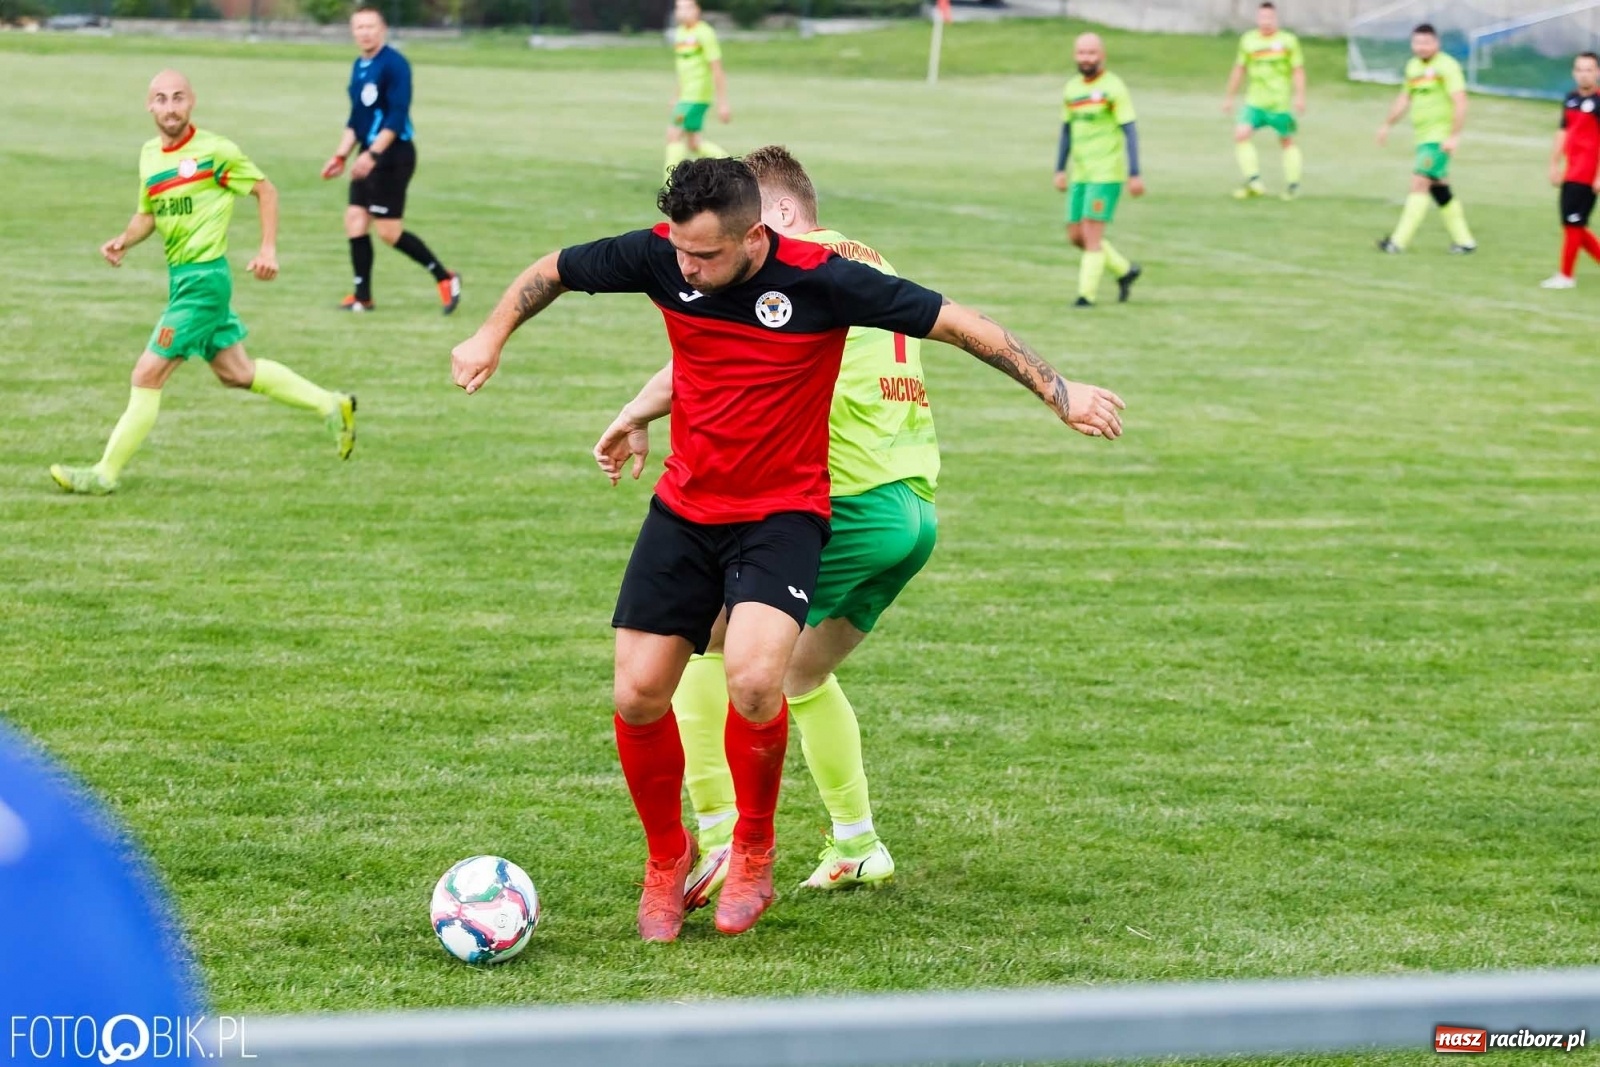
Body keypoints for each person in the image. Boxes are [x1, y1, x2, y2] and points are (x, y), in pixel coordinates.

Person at [451, 157, 1124, 943]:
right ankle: (666, 860)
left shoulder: (824, 280)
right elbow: (554, 270)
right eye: (679, 252)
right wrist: (489, 332)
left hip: (782, 515)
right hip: (685, 508)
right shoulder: (663, 257)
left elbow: (958, 323)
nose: (688, 268)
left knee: (756, 676)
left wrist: (1060, 391)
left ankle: (752, 850)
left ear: (755, 236)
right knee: (637, 693)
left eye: (705, 255)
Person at [51, 70, 356, 496]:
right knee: (237, 372)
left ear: (191, 101)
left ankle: (105, 473)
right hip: (183, 279)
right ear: (149, 105)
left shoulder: (215, 152)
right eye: (161, 99)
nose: (170, 107)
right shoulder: (150, 156)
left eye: (178, 98)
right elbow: (148, 214)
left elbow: (266, 191)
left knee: (147, 372)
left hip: (204, 280)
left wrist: (267, 249)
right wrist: (125, 239)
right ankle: (332, 404)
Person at [321, 6, 460, 314]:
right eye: (359, 27)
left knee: (388, 232)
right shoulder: (359, 66)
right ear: (352, 31)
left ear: (382, 29)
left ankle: (446, 277)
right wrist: (341, 155)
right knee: (355, 220)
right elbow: (356, 119)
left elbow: (396, 118)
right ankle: (362, 297)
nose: (365, 32)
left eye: (371, 26)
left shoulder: (395, 65)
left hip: (393, 155)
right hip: (367, 154)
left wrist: (372, 155)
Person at [1054, 32, 1145, 308]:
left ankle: (1086, 296)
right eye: (1082, 53)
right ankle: (1124, 270)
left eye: (1092, 53)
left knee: (1092, 236)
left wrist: (1135, 172)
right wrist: (1059, 168)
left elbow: (1130, 130)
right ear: (1074, 55)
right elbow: (1067, 131)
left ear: (1102, 55)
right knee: (1076, 236)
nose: (1086, 58)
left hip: (1106, 173)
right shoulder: (1071, 89)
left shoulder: (1113, 87)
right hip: (1080, 173)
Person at [1376, 24, 1477, 255]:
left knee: (1419, 182)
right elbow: (1404, 98)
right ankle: (1465, 241)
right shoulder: (1413, 68)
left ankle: (1397, 242)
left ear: (1436, 43)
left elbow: (1460, 101)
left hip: (1438, 139)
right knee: (1439, 189)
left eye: (1426, 43)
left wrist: (1454, 136)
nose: (1421, 47)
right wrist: (1387, 124)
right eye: (1417, 43)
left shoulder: (1447, 66)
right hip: (1423, 138)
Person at [1222, 1, 1306, 201]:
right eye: (1262, 18)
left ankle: (1292, 186)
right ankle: (1254, 181)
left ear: (1276, 19)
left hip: (1279, 103)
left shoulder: (1288, 41)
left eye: (1270, 18)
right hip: (1255, 102)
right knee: (1241, 134)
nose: (1266, 22)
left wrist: (1301, 96)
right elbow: (1239, 69)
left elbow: (1298, 70)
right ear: (1257, 19)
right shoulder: (1249, 41)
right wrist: (1229, 97)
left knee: (1286, 141)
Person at [1541, 51, 1600, 289]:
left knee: (1573, 223)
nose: (1584, 74)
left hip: (1588, 172)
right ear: (1574, 73)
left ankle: (1566, 276)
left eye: (1589, 69)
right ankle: (1566, 275)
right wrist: (1554, 163)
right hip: (1571, 170)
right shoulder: (1570, 99)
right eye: (1580, 69)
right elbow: (1562, 133)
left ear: (1597, 72)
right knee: (1573, 223)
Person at [664, 0, 732, 180]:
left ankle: (669, 185)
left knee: (673, 135)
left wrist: (723, 103)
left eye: (687, 7)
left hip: (697, 96)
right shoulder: (680, 34)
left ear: (697, 10)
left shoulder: (705, 33)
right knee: (694, 143)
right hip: (686, 97)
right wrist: (676, 96)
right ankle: (730, 169)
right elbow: (683, 70)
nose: (682, 12)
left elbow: (717, 68)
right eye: (679, 8)